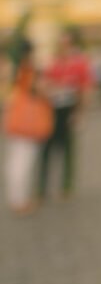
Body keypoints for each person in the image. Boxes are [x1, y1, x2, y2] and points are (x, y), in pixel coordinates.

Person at [38, 26, 92, 201]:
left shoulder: (80, 62)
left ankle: (66, 187)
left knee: (68, 149)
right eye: (61, 42)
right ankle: (41, 187)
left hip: (69, 107)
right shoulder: (52, 61)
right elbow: (43, 82)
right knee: (46, 149)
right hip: (51, 107)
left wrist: (80, 112)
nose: (63, 46)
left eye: (67, 42)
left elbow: (85, 89)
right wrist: (50, 88)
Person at [3, 43, 51, 216]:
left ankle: (17, 198)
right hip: (27, 124)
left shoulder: (14, 70)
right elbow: (41, 90)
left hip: (17, 121)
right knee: (22, 163)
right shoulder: (28, 70)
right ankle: (19, 200)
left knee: (16, 161)